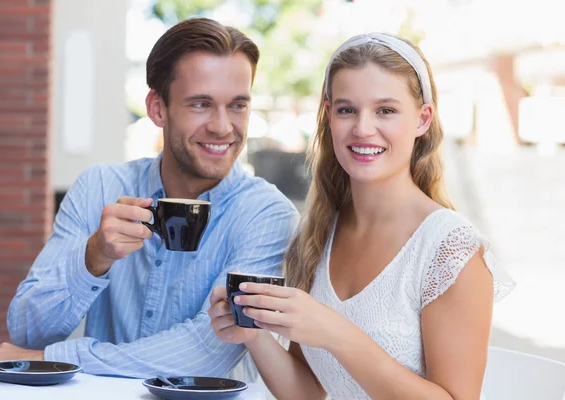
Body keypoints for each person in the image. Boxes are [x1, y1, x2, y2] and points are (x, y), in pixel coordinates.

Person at [208, 33, 515, 399]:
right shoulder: (320, 234)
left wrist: (337, 333)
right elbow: (310, 393)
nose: (363, 128)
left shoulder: (450, 252)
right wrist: (254, 334)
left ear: (422, 119)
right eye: (347, 109)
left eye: (385, 110)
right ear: (328, 115)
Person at [0, 18, 299, 378]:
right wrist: (93, 257)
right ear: (157, 108)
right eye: (201, 104)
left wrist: (57, 358)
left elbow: (207, 354)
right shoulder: (99, 187)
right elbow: (28, 331)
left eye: (237, 105)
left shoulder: (268, 215)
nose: (222, 126)